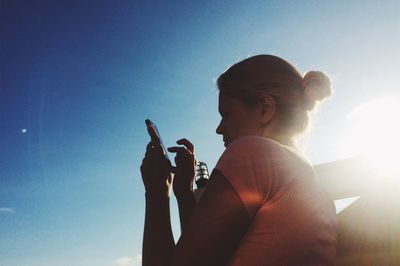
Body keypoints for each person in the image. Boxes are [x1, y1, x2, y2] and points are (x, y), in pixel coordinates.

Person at [140, 55, 337, 265]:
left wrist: (157, 191)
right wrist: (184, 192)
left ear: (264, 108)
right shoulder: (314, 186)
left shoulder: (254, 152)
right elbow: (209, 252)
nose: (219, 128)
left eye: (226, 114)